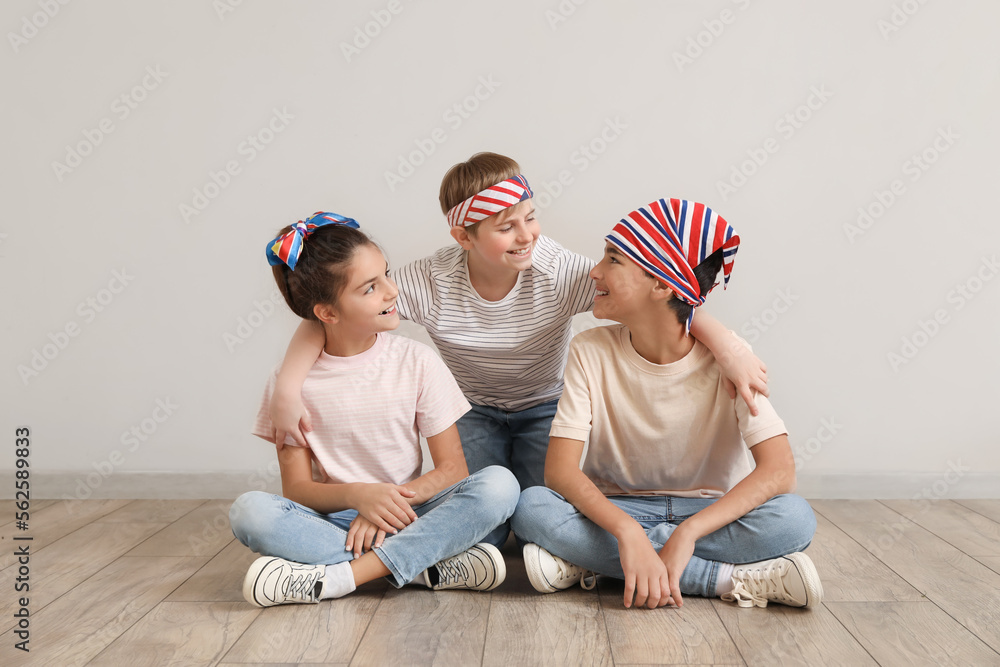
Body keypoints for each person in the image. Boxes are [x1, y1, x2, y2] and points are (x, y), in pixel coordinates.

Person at [268, 155, 769, 548]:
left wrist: (729, 348)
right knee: (480, 531)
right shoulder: (429, 282)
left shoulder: (560, 274)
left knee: (534, 516)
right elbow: (339, 311)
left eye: (530, 218)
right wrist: (288, 390)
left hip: (545, 410)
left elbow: (665, 299)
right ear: (463, 235)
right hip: (471, 412)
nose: (526, 234)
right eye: (506, 226)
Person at [510, 198, 823, 610]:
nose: (595, 270)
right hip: (618, 509)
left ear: (662, 285)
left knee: (795, 519)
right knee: (532, 507)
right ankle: (726, 580)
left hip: (707, 513)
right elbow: (560, 472)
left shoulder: (731, 359)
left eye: (614, 259)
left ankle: (594, 567)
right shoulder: (589, 350)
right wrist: (627, 532)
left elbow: (780, 471)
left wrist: (687, 533)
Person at [229, 212, 519, 607]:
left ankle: (342, 577)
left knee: (501, 485)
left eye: (386, 274)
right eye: (370, 288)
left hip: (411, 513)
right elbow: (297, 490)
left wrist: (387, 504)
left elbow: (453, 470)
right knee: (249, 512)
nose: (391, 291)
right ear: (327, 313)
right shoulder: (291, 386)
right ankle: (420, 567)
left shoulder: (417, 361)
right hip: (337, 521)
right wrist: (360, 497)